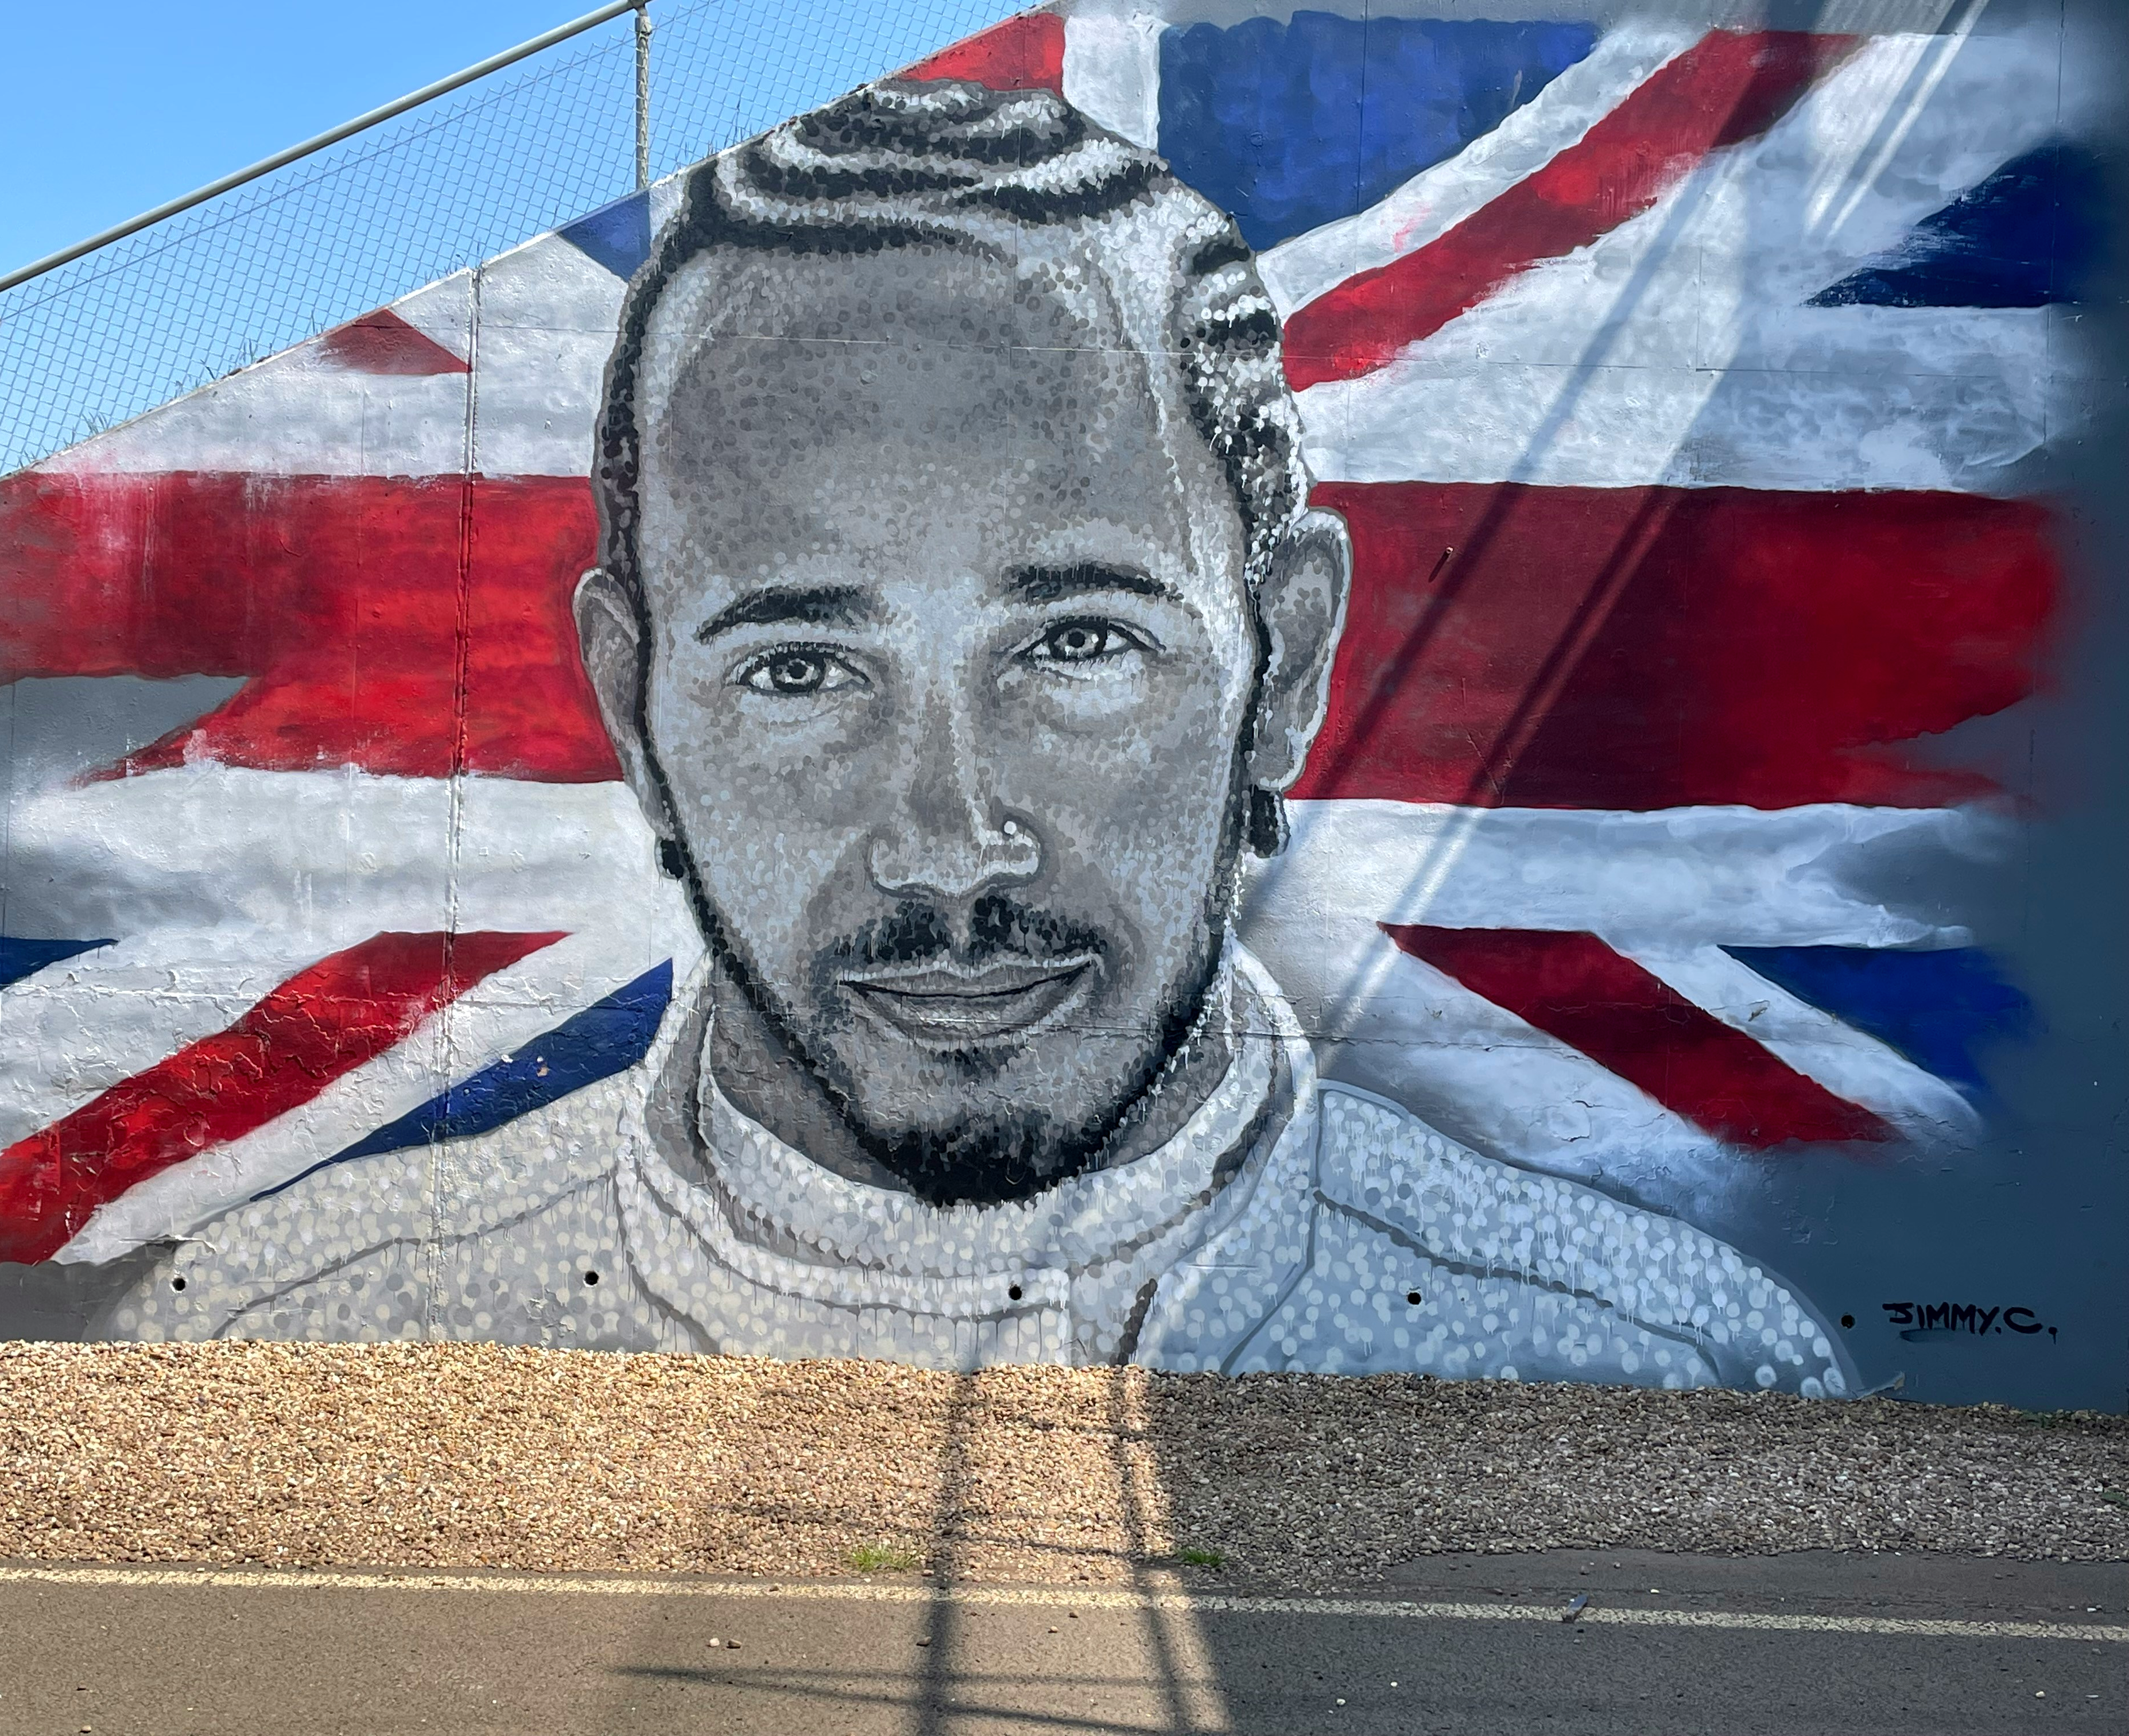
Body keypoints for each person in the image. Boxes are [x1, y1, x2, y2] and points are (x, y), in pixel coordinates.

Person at [113, 80, 1852, 1397]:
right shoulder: (275, 1336)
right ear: (636, 702)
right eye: (801, 669)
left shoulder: (1664, 1363)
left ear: (1290, 655)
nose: (950, 846)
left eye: (1078, 644)